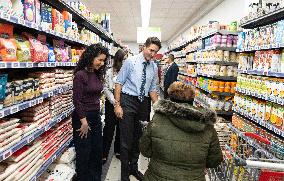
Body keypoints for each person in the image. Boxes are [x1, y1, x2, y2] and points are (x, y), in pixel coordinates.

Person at [140, 81, 223, 181]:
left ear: (170, 98)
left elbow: (145, 150)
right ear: (192, 99)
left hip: (157, 177)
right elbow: (215, 160)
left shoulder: (158, 119)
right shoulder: (207, 126)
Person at [114, 37, 161, 181]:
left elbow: (152, 89)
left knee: (139, 138)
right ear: (144, 47)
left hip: (143, 103)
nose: (152, 54)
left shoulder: (153, 66)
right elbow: (119, 83)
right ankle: (124, 174)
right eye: (151, 50)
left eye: (156, 52)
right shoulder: (130, 62)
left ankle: (133, 168)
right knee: (126, 140)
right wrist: (117, 105)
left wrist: (159, 107)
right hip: (128, 100)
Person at [72, 43, 109, 181]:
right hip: (83, 119)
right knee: (84, 153)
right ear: (91, 57)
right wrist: (84, 121)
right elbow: (77, 100)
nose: (102, 63)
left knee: (96, 151)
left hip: (95, 117)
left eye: (104, 60)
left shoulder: (97, 73)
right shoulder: (80, 75)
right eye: (99, 59)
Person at [102, 49, 127, 163]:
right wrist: (114, 101)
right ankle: (104, 153)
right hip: (111, 103)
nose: (126, 61)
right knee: (109, 128)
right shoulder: (108, 72)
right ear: (119, 59)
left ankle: (118, 150)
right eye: (124, 59)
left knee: (121, 128)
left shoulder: (127, 71)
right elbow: (105, 88)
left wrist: (120, 102)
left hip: (124, 103)